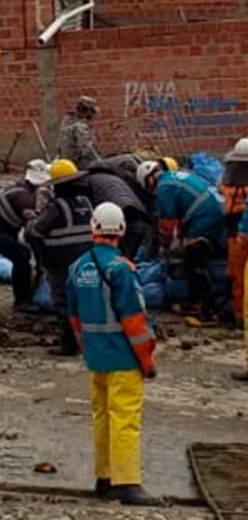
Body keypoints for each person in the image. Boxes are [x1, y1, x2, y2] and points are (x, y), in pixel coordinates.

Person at [66, 202, 161, 507]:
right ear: (120, 230)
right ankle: (128, 482)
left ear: (93, 228)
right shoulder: (121, 269)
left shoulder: (77, 268)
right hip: (123, 359)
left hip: (97, 358)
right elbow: (135, 322)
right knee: (125, 419)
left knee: (102, 416)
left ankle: (104, 477)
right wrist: (147, 361)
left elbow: (74, 318)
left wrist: (87, 350)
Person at [136, 159, 226, 324]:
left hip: (205, 218)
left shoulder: (164, 188)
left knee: (194, 262)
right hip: (212, 212)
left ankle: (208, 310)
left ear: (149, 180)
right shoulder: (174, 177)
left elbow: (168, 224)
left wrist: (166, 246)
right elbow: (182, 216)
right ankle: (199, 303)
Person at [28, 159, 94, 356]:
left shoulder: (57, 206)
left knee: (63, 301)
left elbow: (36, 232)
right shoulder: (87, 203)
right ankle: (89, 339)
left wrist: (31, 222)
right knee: (85, 299)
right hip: (87, 259)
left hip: (61, 262)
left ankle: (69, 344)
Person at [0, 159, 52, 313]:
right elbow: (32, 231)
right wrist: (41, 261)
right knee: (21, 258)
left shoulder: (23, 188)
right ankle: (21, 301)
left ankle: (24, 294)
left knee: (22, 255)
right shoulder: (25, 198)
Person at [222, 139, 248, 333]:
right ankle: (240, 317)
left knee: (238, 279)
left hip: (238, 235)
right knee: (237, 278)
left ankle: (240, 317)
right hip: (236, 234)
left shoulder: (229, 183)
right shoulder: (229, 184)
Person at [60, 96, 101, 169]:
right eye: (93, 112)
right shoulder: (81, 127)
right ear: (88, 111)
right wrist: (101, 164)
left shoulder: (67, 121)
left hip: (65, 161)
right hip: (76, 163)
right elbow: (87, 150)